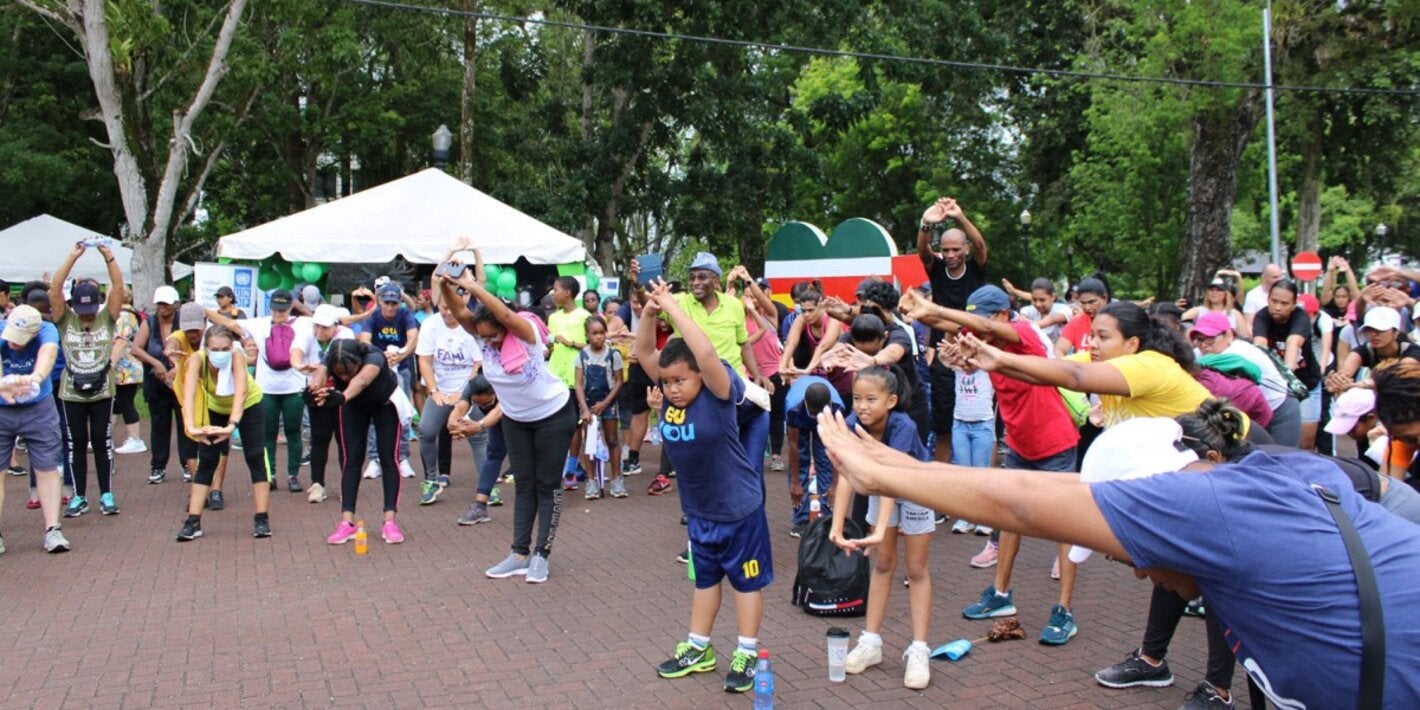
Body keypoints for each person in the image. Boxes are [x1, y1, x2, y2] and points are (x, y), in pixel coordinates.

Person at [816, 408, 1420, 708]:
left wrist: (882, 476)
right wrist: (908, 467)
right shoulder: (1254, 483)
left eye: (1131, 550)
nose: (1137, 569)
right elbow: (1044, 490)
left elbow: (1022, 502)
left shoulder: (1203, 505)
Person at [1094, 401, 1420, 709]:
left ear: (1211, 458)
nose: (1138, 572)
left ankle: (1218, 690)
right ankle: (1154, 659)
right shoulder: (1221, 483)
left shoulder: (1250, 497)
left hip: (1388, 506)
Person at [635, 279, 772, 695]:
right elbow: (644, 353)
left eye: (680, 380)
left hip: (739, 509)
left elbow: (708, 354)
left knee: (745, 583)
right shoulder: (669, 395)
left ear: (699, 375)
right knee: (705, 580)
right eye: (667, 382)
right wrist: (649, 312)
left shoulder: (717, 391)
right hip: (700, 512)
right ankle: (699, 648)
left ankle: (746, 652)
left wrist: (674, 308)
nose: (672, 389)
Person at [440, 254, 577, 584]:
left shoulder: (526, 333)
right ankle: (518, 554)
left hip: (553, 415)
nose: (488, 342)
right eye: (484, 337)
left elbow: (503, 314)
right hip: (517, 420)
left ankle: (541, 555)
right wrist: (445, 285)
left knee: (547, 485)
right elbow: (461, 313)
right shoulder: (485, 334)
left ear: (506, 328)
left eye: (493, 336)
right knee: (524, 484)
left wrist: (473, 286)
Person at [828, 366, 935, 690]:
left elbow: (892, 477)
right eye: (857, 398)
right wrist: (837, 526)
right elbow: (847, 474)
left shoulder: (903, 425)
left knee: (916, 569)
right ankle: (871, 642)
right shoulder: (851, 424)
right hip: (881, 488)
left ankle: (919, 650)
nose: (862, 406)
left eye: (871, 399)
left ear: (891, 400)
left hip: (916, 488)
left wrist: (877, 531)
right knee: (883, 563)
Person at [207, 290, 309, 493]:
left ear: (290, 308)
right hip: (267, 388)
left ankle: (293, 475)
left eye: (282, 310)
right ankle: (270, 475)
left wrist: (300, 306)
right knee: (268, 433)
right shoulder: (260, 323)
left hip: (294, 387)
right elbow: (230, 324)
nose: (278, 314)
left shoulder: (302, 323)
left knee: (293, 432)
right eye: (275, 309)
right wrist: (203, 310)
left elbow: (328, 320)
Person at [50, 243, 126, 518]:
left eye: (91, 308)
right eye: (82, 309)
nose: (87, 314)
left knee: (102, 440)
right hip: (72, 391)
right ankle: (79, 496)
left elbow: (118, 288)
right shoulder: (65, 319)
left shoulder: (106, 318)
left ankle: (106, 494)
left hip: (102, 390)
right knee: (76, 442)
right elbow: (54, 289)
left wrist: (109, 257)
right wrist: (72, 257)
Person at [176, 326, 272, 541]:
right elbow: (188, 394)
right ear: (206, 348)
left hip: (249, 405)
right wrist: (190, 426)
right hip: (215, 408)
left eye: (225, 349)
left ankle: (261, 518)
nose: (220, 353)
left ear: (232, 347)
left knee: (255, 456)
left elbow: (241, 393)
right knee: (207, 459)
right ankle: (193, 521)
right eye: (215, 349)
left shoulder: (237, 356)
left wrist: (231, 426)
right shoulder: (197, 359)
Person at [311, 338, 408, 546]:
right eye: (340, 374)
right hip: (354, 406)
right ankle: (347, 523)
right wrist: (315, 389)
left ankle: (389, 521)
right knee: (351, 459)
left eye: (349, 372)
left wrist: (342, 396)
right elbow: (320, 374)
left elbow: (362, 380)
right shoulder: (333, 355)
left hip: (385, 403)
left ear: (358, 361)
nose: (345, 377)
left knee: (388, 457)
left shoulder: (374, 356)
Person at [918, 197, 989, 463]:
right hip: (945, 357)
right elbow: (923, 251)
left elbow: (981, 246)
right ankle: (942, 480)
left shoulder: (976, 270)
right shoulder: (937, 270)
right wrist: (925, 224)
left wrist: (959, 216)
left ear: (965, 250)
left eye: (956, 250)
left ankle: (983, 478)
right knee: (943, 428)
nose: (950, 255)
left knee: (983, 425)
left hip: (976, 355)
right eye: (945, 250)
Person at [0, 305, 72, 552]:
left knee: (47, 467)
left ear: (34, 332)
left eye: (20, 339)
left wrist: (35, 379)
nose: (13, 342)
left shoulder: (47, 330)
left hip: (39, 408)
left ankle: (53, 530)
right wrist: (3, 385)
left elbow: (48, 354)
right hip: (2, 409)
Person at [1190, 311, 1300, 446]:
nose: (1203, 344)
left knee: (1283, 455)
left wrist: (1191, 364)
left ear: (1228, 335)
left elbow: (1249, 370)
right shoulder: (1201, 352)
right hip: (1250, 412)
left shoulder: (1240, 351)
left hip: (1279, 409)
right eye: (1199, 339)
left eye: (1209, 338)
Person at [414, 298, 482, 505]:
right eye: (444, 308)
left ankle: (488, 486)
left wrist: (463, 393)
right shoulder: (430, 324)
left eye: (453, 309)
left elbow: (478, 363)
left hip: (468, 389)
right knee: (426, 430)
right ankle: (431, 481)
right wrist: (434, 391)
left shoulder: (471, 324)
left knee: (479, 435)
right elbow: (425, 360)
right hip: (441, 390)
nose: (448, 313)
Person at [129, 286, 196, 484]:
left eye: (166, 304)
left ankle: (188, 463)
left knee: (185, 423)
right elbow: (136, 348)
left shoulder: (184, 323)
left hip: (181, 382)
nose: (162, 307)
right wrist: (155, 363)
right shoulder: (149, 322)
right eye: (159, 304)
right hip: (156, 382)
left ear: (175, 304)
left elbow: (194, 348)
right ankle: (158, 466)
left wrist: (178, 367)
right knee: (159, 425)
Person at [290, 304, 356, 503]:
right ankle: (317, 484)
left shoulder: (345, 335)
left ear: (335, 326)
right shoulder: (306, 332)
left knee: (345, 440)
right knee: (319, 440)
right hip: (317, 392)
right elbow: (296, 352)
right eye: (317, 326)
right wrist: (300, 365)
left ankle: (347, 484)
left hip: (341, 392)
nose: (319, 331)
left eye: (325, 327)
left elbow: (343, 364)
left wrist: (321, 371)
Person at [357, 282, 419, 479]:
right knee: (374, 413)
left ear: (399, 302)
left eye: (394, 303)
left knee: (403, 413)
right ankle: (374, 459)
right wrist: (380, 356)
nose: (391, 307)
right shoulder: (374, 316)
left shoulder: (405, 315)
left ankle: (402, 457)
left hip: (401, 368)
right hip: (378, 369)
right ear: (380, 302)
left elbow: (413, 339)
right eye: (387, 303)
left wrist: (400, 355)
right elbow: (364, 340)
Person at [1253, 281, 1323, 449]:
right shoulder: (1262, 316)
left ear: (1293, 305)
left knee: (1306, 440)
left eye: (1284, 303)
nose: (1278, 307)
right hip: (1276, 386)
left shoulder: (1301, 317)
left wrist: (1287, 377)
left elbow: (1293, 343)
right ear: (1268, 299)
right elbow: (1260, 346)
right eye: (1274, 301)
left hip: (1306, 383)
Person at [545, 276, 592, 483]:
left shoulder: (584, 316)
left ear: (568, 293)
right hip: (554, 376)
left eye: (556, 289)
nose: (552, 293)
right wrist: (549, 346)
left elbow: (594, 344)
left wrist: (570, 343)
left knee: (574, 424)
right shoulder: (553, 318)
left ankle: (572, 467)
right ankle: (561, 464)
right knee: (553, 422)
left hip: (575, 377)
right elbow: (550, 344)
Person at [574, 316, 625, 499]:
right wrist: (585, 409)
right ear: (587, 335)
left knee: (612, 439)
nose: (599, 337)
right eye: (594, 333)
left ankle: (617, 479)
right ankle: (591, 482)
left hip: (608, 402)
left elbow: (619, 381)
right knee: (589, 443)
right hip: (588, 404)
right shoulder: (582, 356)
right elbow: (578, 384)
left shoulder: (613, 354)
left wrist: (605, 403)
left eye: (602, 333)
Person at [1326, 306, 1420, 395]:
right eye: (1369, 329)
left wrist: (1361, 385)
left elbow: (1396, 377)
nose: (1373, 334)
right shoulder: (1363, 351)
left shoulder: (1412, 352)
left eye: (1380, 330)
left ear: (1395, 332)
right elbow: (1345, 373)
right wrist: (1337, 382)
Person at [449, 374, 503, 524]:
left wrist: (478, 426)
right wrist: (453, 423)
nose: (484, 407)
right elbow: (460, 407)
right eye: (479, 404)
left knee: (527, 460)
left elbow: (498, 411)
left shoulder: (503, 386)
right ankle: (480, 508)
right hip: (498, 419)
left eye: (487, 403)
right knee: (493, 454)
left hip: (524, 418)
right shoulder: (471, 387)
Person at [111, 300, 147, 455]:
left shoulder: (124, 316)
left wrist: (110, 365)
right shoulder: (127, 313)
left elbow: (120, 342)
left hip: (126, 369)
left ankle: (135, 439)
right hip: (123, 369)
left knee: (125, 402)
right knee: (116, 404)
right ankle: (106, 437)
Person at [1004, 277, 1072, 342]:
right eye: (1034, 300)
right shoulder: (1027, 310)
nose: (1038, 304)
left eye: (1042, 300)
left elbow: (1051, 319)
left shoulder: (1064, 309)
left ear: (1053, 297)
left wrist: (1028, 324)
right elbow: (1022, 317)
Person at [1183, 276, 1251, 340]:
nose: (1214, 292)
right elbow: (1181, 319)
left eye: (1219, 290)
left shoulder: (1234, 314)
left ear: (1226, 294)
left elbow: (1245, 337)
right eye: (1211, 290)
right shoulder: (1198, 311)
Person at [1055, 277, 1109, 357]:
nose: (1087, 307)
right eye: (1083, 303)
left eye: (1092, 302)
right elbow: (1059, 350)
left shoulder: (1116, 322)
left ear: (1104, 298)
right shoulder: (1076, 323)